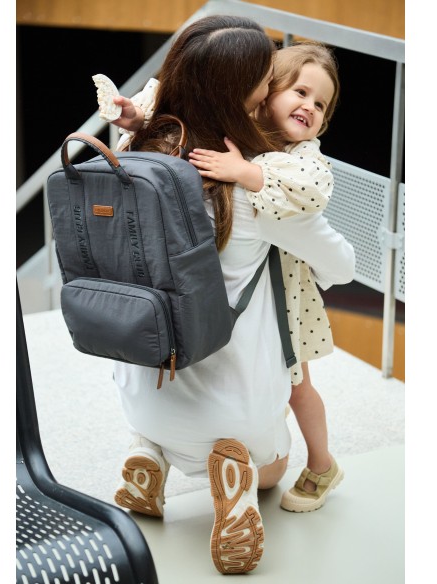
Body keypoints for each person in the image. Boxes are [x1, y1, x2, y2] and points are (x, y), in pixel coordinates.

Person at [104, 17, 355, 575]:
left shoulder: (137, 157)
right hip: (230, 417)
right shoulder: (257, 189)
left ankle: (148, 454)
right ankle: (238, 480)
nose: (275, 94)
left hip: (141, 390)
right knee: (272, 467)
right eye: (269, 83)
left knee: (160, 425)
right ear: (245, 96)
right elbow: (343, 266)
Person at [187, 42, 347, 514]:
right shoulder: (241, 129)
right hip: (247, 287)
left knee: (296, 384)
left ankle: (322, 464)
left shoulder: (306, 154)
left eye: (321, 104)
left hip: (285, 292)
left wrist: (245, 172)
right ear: (266, 92)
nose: (310, 107)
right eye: (300, 91)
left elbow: (312, 190)